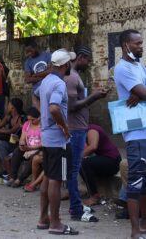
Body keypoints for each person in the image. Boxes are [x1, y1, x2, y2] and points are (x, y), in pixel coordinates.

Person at [36, 49, 79, 235]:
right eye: (69, 62)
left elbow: (35, 96)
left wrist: (42, 114)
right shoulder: (59, 84)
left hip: (46, 138)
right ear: (65, 65)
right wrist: (64, 126)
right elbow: (54, 108)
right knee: (56, 180)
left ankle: (43, 218)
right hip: (58, 141)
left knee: (48, 177)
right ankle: (55, 223)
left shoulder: (45, 81)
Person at [64, 45, 105, 223]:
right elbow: (72, 107)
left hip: (77, 128)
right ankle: (76, 208)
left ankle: (76, 205)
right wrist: (94, 97)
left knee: (73, 169)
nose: (89, 63)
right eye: (87, 60)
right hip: (76, 129)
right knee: (73, 170)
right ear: (80, 57)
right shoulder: (71, 78)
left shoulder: (73, 76)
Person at [114, 29, 146, 239]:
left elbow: (142, 92)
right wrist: (141, 94)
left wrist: (141, 94)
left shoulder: (138, 66)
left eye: (141, 43)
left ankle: (143, 226)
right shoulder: (123, 68)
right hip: (136, 134)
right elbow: (143, 93)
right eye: (137, 43)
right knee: (136, 182)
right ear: (126, 45)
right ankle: (135, 231)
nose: (141, 46)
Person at [80, 124, 121, 206]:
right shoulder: (84, 131)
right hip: (106, 160)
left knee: (84, 163)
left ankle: (94, 197)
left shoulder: (92, 129)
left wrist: (77, 158)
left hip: (112, 162)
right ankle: (73, 191)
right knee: (82, 164)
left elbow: (93, 147)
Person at [6, 107, 41, 188]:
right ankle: (12, 177)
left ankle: (20, 179)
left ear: (39, 117)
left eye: (33, 120)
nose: (31, 122)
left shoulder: (43, 126)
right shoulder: (27, 124)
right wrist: (22, 144)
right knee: (17, 151)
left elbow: (43, 143)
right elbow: (22, 137)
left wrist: (30, 148)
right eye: (29, 119)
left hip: (38, 148)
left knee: (34, 158)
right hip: (28, 147)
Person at [24, 40, 52, 110]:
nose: (29, 53)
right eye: (27, 52)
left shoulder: (48, 55)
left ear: (36, 47)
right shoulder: (28, 62)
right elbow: (27, 79)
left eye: (30, 51)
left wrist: (35, 75)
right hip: (37, 94)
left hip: (49, 89)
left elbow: (51, 71)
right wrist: (44, 76)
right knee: (38, 116)